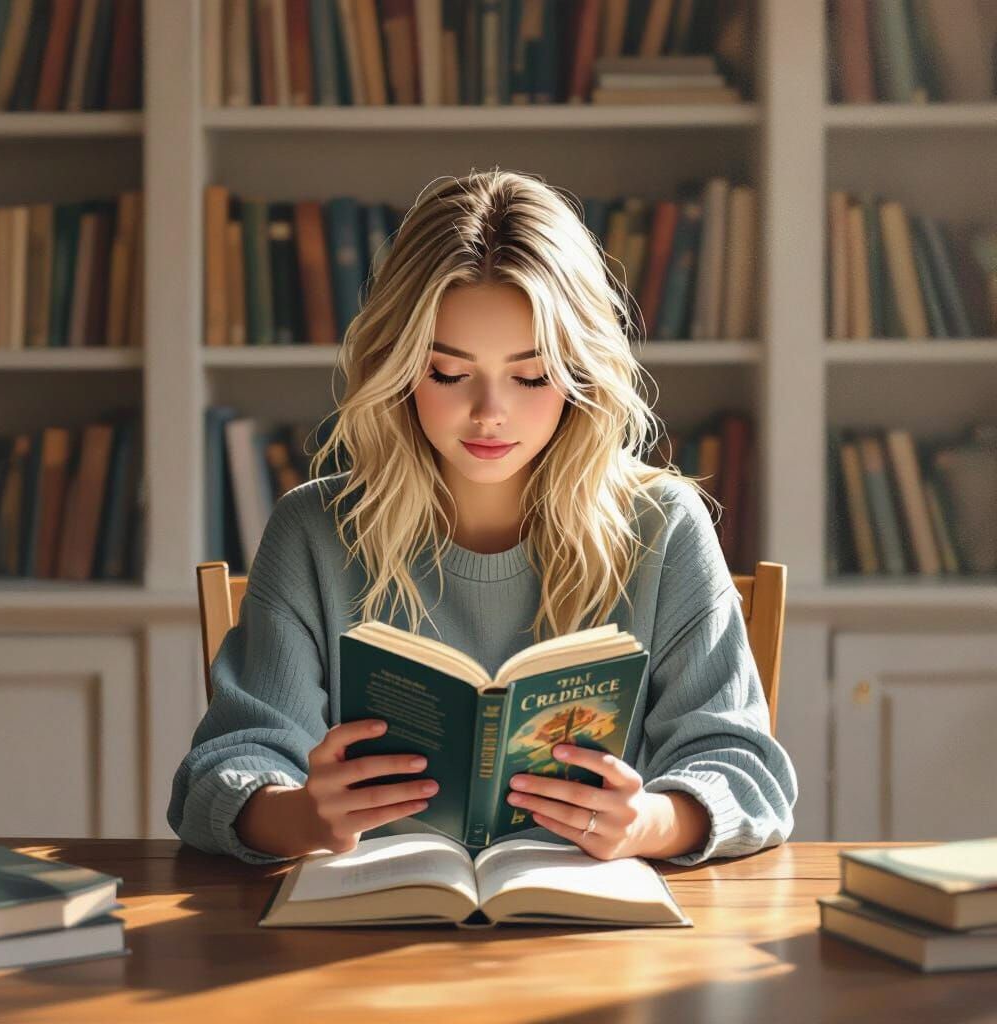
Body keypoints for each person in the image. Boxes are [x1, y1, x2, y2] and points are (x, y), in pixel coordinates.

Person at [167, 168, 798, 867]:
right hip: (366, 928)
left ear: (582, 375)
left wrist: (649, 822)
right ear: (400, 370)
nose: (490, 412)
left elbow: (745, 771)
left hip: (599, 936)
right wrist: (298, 815)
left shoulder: (664, 525)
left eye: (531, 376)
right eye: (448, 372)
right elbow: (218, 774)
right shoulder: (314, 530)